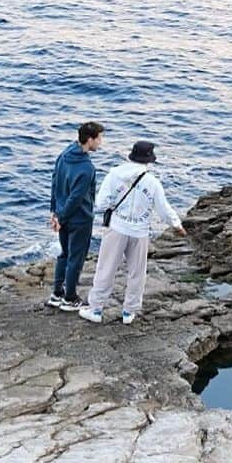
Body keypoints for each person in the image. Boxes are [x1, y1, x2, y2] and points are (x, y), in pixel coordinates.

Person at [79, 139, 184, 325]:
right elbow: (163, 209)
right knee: (137, 273)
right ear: (149, 160)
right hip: (140, 231)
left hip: (117, 228)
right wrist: (176, 224)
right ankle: (129, 312)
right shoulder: (152, 182)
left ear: (131, 155)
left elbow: (101, 203)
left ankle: (95, 309)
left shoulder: (114, 174)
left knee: (106, 269)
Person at [48, 120, 105, 311]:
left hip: (62, 215)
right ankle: (70, 298)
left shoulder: (64, 155)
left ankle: (57, 294)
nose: (101, 143)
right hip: (79, 219)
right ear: (90, 140)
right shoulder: (87, 168)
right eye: (99, 138)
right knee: (76, 258)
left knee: (64, 254)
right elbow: (76, 199)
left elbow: (55, 183)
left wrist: (54, 213)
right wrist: (61, 217)